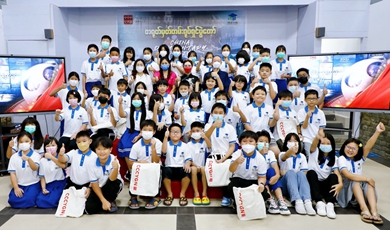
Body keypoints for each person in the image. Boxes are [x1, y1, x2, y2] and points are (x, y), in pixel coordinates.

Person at [337, 122, 385, 225]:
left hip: (360, 187)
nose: (350, 150)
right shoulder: (341, 159)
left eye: (354, 148)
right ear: (344, 147)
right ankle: (363, 208)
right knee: (357, 181)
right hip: (347, 189)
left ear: (358, 150)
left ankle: (374, 210)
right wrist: (367, 178)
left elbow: (368, 146)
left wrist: (377, 131)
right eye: (348, 147)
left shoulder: (359, 159)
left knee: (368, 184)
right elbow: (347, 175)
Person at [222, 131, 270, 208]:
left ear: (256, 143)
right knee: (230, 188)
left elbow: (262, 177)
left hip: (253, 181)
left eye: (251, 141)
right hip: (238, 179)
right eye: (244, 141)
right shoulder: (237, 154)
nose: (248, 144)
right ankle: (230, 198)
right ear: (240, 143)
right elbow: (231, 169)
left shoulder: (260, 158)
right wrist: (236, 162)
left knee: (264, 193)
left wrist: (261, 184)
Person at [278, 133, 316, 215]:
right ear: (286, 143)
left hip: (298, 186)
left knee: (301, 174)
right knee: (291, 172)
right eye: (290, 141)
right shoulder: (282, 154)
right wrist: (291, 150)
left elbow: (304, 172)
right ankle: (297, 201)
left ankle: (307, 201)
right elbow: (284, 157)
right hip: (285, 185)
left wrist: (289, 172)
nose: (293, 143)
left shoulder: (302, 156)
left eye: (295, 141)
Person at [307, 131, 342, 219]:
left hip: (325, 185)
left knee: (334, 176)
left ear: (332, 145)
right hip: (314, 185)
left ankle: (330, 204)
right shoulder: (314, 152)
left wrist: (341, 184)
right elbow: (313, 146)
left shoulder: (334, 158)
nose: (325, 145)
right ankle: (319, 202)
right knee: (311, 173)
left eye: (328, 143)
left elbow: (337, 173)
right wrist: (317, 137)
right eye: (323, 143)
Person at [128, 120, 162, 209]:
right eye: (145, 130)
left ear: (154, 132)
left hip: (154, 167)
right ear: (141, 131)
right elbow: (131, 163)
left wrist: (153, 148)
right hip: (141, 168)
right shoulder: (136, 145)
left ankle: (156, 197)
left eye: (150, 130)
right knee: (133, 171)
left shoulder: (158, 143)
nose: (147, 132)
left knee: (158, 171)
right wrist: (139, 162)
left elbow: (156, 162)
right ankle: (133, 197)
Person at [85, 137, 123, 214]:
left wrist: (115, 168)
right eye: (99, 149)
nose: (102, 152)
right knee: (89, 209)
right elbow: (94, 184)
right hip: (99, 187)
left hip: (112, 184)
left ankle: (111, 200)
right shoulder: (91, 163)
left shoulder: (114, 160)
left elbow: (113, 179)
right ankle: (105, 201)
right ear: (95, 150)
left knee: (113, 184)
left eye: (105, 149)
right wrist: (103, 200)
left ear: (110, 149)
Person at [256, 130, 290, 215]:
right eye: (261, 141)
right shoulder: (254, 153)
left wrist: (277, 175)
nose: (263, 143)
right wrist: (261, 153)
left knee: (271, 170)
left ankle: (280, 200)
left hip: (269, 177)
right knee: (264, 177)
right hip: (259, 178)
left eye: (266, 142)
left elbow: (274, 165)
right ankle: (270, 199)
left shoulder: (270, 153)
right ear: (256, 143)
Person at [58, 131, 97, 199]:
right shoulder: (73, 153)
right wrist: (61, 154)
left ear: (90, 141)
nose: (81, 144)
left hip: (86, 185)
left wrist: (89, 187)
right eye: (79, 142)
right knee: (65, 202)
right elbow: (62, 160)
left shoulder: (94, 157)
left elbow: (95, 175)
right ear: (76, 143)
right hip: (72, 184)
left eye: (84, 141)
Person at [8, 132, 41, 208]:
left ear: (31, 142)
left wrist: (29, 159)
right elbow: (12, 173)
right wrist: (16, 187)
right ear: (18, 143)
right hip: (20, 185)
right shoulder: (14, 157)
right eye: (21, 142)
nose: (24, 144)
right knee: (12, 200)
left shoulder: (36, 155)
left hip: (33, 184)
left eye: (26, 141)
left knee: (29, 199)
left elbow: (35, 168)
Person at [162, 123, 192, 206]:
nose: (175, 134)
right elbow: (163, 151)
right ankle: (169, 195)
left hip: (180, 168)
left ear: (181, 134)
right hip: (169, 168)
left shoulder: (185, 146)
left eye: (177, 132)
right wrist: (165, 137)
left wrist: (187, 164)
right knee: (165, 170)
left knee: (187, 170)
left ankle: (182, 195)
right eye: (173, 132)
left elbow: (189, 159)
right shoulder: (166, 143)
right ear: (169, 133)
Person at [243, 86, 279, 154]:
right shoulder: (248, 108)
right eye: (257, 94)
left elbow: (271, 124)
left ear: (265, 96)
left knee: (277, 153)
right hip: (252, 135)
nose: (260, 96)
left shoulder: (269, 108)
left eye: (263, 94)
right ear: (253, 96)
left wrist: (275, 119)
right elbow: (246, 125)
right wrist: (255, 136)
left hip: (267, 135)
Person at [36, 137, 67, 208]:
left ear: (57, 147)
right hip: (49, 185)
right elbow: (42, 177)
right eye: (48, 146)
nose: (50, 148)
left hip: (60, 184)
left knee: (53, 200)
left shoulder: (61, 158)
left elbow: (63, 166)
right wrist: (43, 188)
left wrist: (51, 157)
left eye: (53, 145)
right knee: (39, 200)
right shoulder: (42, 161)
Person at [117, 92, 147, 165]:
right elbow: (122, 115)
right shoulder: (129, 110)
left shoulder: (146, 112)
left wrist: (140, 135)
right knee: (126, 147)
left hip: (142, 133)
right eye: (134, 99)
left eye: (138, 99)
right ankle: (130, 170)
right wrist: (120, 104)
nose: (136, 100)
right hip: (129, 132)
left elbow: (148, 126)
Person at [188, 122, 212, 205]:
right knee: (194, 169)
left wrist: (205, 137)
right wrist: (195, 165)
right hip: (193, 166)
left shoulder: (204, 142)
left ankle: (204, 193)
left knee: (203, 168)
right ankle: (196, 194)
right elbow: (188, 159)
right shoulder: (188, 144)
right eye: (193, 131)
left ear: (202, 131)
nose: (195, 133)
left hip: (203, 167)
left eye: (197, 130)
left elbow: (209, 146)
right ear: (190, 132)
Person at [298, 89, 326, 155]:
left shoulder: (320, 113)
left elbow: (321, 129)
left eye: (314, 98)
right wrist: (307, 116)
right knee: (311, 155)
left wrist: (322, 138)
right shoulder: (301, 111)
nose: (311, 100)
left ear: (317, 100)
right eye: (309, 98)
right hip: (306, 139)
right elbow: (304, 127)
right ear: (305, 100)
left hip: (317, 138)